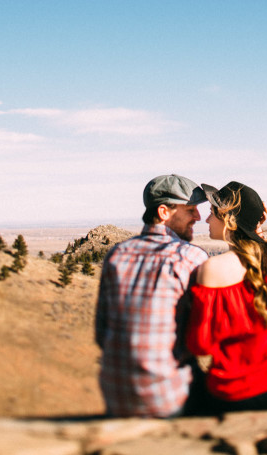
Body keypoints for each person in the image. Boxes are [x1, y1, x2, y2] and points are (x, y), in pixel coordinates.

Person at [185, 181, 267, 413]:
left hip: (234, 394)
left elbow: (200, 344)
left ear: (229, 220)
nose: (207, 220)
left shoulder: (213, 269)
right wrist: (254, 224)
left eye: (212, 213)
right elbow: (256, 243)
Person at [95, 174, 209, 417]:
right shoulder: (189, 257)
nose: (198, 217)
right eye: (190, 209)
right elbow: (202, 340)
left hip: (115, 392)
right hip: (168, 398)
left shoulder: (117, 254)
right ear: (164, 212)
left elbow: (101, 333)